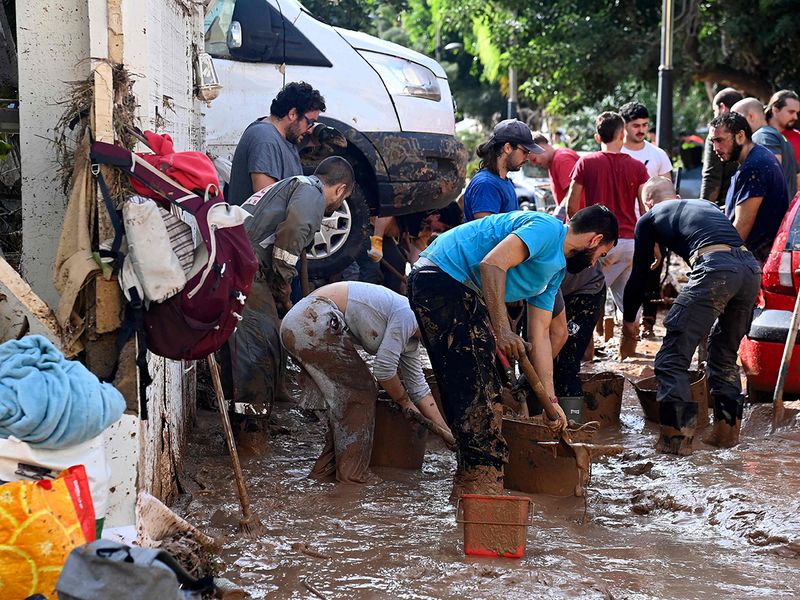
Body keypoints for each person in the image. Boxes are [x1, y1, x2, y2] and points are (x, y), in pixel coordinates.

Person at [407, 206, 618, 499]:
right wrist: (503, 330)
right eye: (602, 254)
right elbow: (492, 265)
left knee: (477, 385)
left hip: (461, 290)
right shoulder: (547, 229)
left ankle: (470, 487)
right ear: (594, 241)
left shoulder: (555, 270)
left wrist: (551, 401)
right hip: (443, 278)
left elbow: (540, 334)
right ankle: (480, 488)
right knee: (478, 390)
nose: (597, 262)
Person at [622, 177, 760, 455]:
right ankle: (726, 435)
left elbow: (639, 277)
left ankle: (676, 443)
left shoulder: (648, 219)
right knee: (723, 355)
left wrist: (628, 322)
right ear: (674, 194)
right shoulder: (703, 204)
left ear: (647, 203)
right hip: (749, 269)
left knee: (672, 359)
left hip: (716, 269)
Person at [224, 157, 354, 445]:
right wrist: (282, 282)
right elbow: (293, 232)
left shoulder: (293, 184)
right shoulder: (312, 192)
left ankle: (260, 417)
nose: (332, 211)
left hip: (237, 261)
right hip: (245, 267)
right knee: (259, 345)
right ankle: (250, 436)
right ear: (340, 189)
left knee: (264, 339)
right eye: (341, 201)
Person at [280, 281, 452, 484]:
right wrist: (404, 401)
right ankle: (353, 476)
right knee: (361, 391)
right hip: (311, 318)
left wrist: (446, 434)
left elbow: (420, 390)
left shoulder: (411, 343)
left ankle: (325, 472)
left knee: (345, 399)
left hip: (307, 323)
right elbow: (384, 370)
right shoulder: (409, 315)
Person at [566, 111, 649, 358]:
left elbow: (572, 207)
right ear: (622, 135)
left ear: (596, 136)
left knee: (588, 301)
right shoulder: (637, 167)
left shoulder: (585, 162)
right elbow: (645, 210)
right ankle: (629, 360)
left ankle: (588, 361)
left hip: (599, 245)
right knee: (630, 306)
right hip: (631, 242)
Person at [709, 111, 789, 264]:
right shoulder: (757, 156)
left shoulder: (754, 166)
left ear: (740, 136)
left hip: (755, 262)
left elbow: (741, 229)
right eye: (713, 141)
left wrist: (716, 259)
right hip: (756, 260)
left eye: (719, 140)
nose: (715, 148)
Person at [228, 82, 326, 206]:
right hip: (258, 225)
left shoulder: (284, 135)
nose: (309, 128)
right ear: (293, 114)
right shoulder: (265, 140)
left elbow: (314, 140)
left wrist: (320, 132)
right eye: (310, 122)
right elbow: (266, 202)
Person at [462, 119, 543, 221]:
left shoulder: (504, 181)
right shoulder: (486, 184)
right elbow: (487, 233)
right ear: (507, 148)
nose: (527, 157)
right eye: (525, 151)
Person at [732, 97, 797, 200]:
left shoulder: (762, 137)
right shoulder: (776, 135)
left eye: (737, 119)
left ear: (751, 116)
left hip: (776, 212)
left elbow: (769, 177)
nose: (733, 125)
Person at [701, 87, 744, 204]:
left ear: (722, 107)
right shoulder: (752, 133)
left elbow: (712, 178)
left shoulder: (716, 135)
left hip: (727, 205)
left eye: (715, 110)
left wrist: (702, 209)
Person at [529, 131, 583, 210]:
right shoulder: (554, 161)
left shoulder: (562, 160)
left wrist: (559, 213)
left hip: (579, 219)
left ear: (541, 148)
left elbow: (574, 192)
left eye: (534, 159)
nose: (535, 164)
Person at [619, 101, 673, 179]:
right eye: (636, 126)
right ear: (624, 125)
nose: (641, 130)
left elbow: (666, 189)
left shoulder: (659, 154)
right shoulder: (613, 154)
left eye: (645, 125)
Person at [765, 90, 800, 193]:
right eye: (791, 112)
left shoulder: (798, 137)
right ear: (775, 110)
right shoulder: (760, 135)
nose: (795, 117)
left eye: (797, 113)